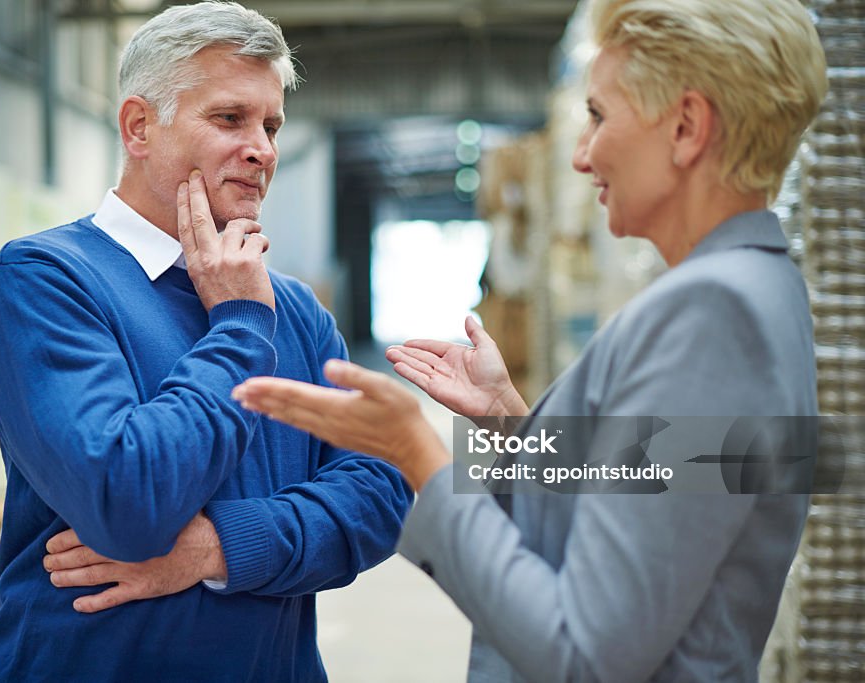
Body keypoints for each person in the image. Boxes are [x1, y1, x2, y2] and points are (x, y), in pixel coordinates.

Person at [232, 0, 828, 680]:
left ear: (687, 127)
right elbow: (663, 497)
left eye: (599, 117)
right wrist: (506, 420)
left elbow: (580, 651)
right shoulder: (752, 288)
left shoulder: (714, 313)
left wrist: (420, 456)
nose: (580, 154)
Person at [0, 3, 411, 681]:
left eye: (270, 125)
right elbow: (126, 500)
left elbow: (380, 495)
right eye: (229, 118)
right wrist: (236, 325)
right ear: (139, 126)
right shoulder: (45, 282)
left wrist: (221, 547)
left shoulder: (290, 308)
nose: (262, 148)